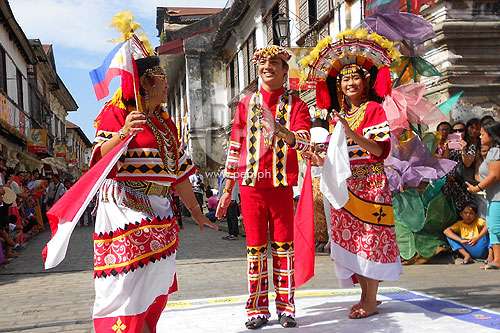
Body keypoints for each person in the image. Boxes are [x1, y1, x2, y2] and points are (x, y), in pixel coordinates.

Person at [88, 55, 217, 332]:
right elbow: (97, 158)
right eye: (162, 80)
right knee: (126, 280)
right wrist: (122, 133)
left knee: (155, 279)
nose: (167, 86)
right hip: (124, 206)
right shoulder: (118, 114)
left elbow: (179, 174)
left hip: (160, 209)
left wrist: (196, 212)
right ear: (146, 83)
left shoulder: (165, 124)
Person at [302, 30, 402, 319]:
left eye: (355, 77)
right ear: (338, 85)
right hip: (347, 187)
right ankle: (365, 295)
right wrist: (316, 156)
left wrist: (350, 132)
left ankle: (370, 299)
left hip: (371, 183)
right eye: (344, 78)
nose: (350, 82)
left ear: (366, 81)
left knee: (370, 240)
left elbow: (380, 149)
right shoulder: (339, 117)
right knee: (356, 242)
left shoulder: (373, 109)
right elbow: (337, 158)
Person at [216, 45, 311, 329]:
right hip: (251, 187)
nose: (267, 66)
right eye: (263, 62)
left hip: (280, 186)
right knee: (255, 248)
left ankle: (286, 307)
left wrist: (281, 130)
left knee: (284, 247)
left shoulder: (298, 105)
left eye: (274, 62)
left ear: (285, 70)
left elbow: (305, 143)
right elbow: (235, 146)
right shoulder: (246, 104)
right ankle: (256, 309)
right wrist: (226, 189)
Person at [467, 121, 500, 270]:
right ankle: (495, 259)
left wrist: (477, 188)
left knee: (495, 227)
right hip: (492, 196)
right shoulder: (491, 152)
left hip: (498, 197)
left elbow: (494, 175)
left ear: (492, 136)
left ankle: (498, 260)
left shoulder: (496, 152)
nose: (480, 136)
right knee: (493, 227)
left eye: (482, 134)